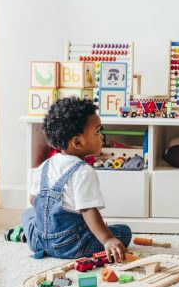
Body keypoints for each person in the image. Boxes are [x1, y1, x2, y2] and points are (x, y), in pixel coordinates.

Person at [21, 97, 131, 261]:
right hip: (70, 246)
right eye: (97, 131)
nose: (102, 136)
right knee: (123, 232)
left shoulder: (44, 166)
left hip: (39, 241)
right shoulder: (83, 171)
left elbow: (32, 200)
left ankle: (27, 235)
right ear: (78, 142)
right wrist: (107, 239)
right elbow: (88, 210)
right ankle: (102, 237)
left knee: (28, 213)